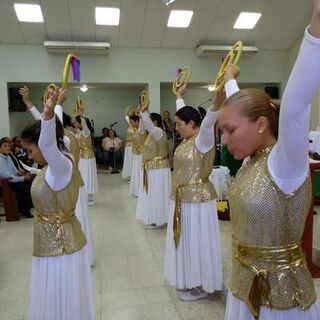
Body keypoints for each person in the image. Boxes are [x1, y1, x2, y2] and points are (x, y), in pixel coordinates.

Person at [220, 2, 320, 319]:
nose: (224, 139)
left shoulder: (286, 162)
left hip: (281, 300)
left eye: (230, 130)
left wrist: (316, 30)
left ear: (262, 125)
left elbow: (293, 106)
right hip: (244, 285)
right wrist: (228, 80)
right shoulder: (252, 160)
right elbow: (243, 112)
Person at [20, 88, 94, 320]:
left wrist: (49, 115)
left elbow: (49, 143)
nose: (29, 155)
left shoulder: (61, 167)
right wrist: (45, 109)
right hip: (49, 243)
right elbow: (49, 141)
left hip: (61, 246)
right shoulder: (51, 167)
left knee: (63, 299)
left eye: (30, 150)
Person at [164, 83, 223, 301]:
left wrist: (216, 105)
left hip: (198, 201)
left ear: (192, 124)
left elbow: (206, 125)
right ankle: (190, 278)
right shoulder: (188, 140)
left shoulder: (202, 140)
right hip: (183, 200)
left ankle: (201, 285)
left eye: (179, 124)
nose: (175, 127)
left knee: (197, 241)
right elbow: (189, 117)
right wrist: (179, 97)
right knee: (187, 241)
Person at [136, 106, 171, 229]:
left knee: (157, 193)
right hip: (152, 168)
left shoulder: (158, 132)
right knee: (152, 193)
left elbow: (148, 126)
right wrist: (141, 117)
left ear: (154, 122)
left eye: (149, 120)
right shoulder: (150, 134)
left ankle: (158, 219)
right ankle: (154, 217)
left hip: (159, 168)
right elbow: (140, 131)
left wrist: (143, 112)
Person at [0, 137, 34, 218]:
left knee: (32, 185)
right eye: (5, 146)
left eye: (8, 146)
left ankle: (23, 207)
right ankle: (23, 209)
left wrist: (20, 173)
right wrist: (23, 178)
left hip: (14, 180)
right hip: (6, 183)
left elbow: (14, 171)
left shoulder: (8, 157)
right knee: (26, 188)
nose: (8, 147)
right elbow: (5, 176)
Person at [73, 99, 98, 205]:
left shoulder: (86, 132)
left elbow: (84, 125)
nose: (74, 124)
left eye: (75, 122)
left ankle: (90, 196)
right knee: (83, 175)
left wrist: (81, 114)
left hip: (88, 157)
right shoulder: (79, 132)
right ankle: (83, 195)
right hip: (81, 157)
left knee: (88, 175)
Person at [129, 114, 147, 197]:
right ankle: (136, 190)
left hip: (141, 154)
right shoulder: (136, 130)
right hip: (136, 154)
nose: (131, 124)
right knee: (136, 171)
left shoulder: (141, 130)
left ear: (137, 121)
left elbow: (142, 122)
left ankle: (140, 190)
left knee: (140, 172)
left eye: (132, 122)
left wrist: (141, 113)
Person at [122, 116, 134, 181]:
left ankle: (132, 175)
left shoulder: (136, 129)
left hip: (133, 146)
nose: (130, 122)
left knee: (132, 160)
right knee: (128, 160)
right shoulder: (129, 128)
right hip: (128, 146)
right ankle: (129, 175)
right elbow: (126, 117)